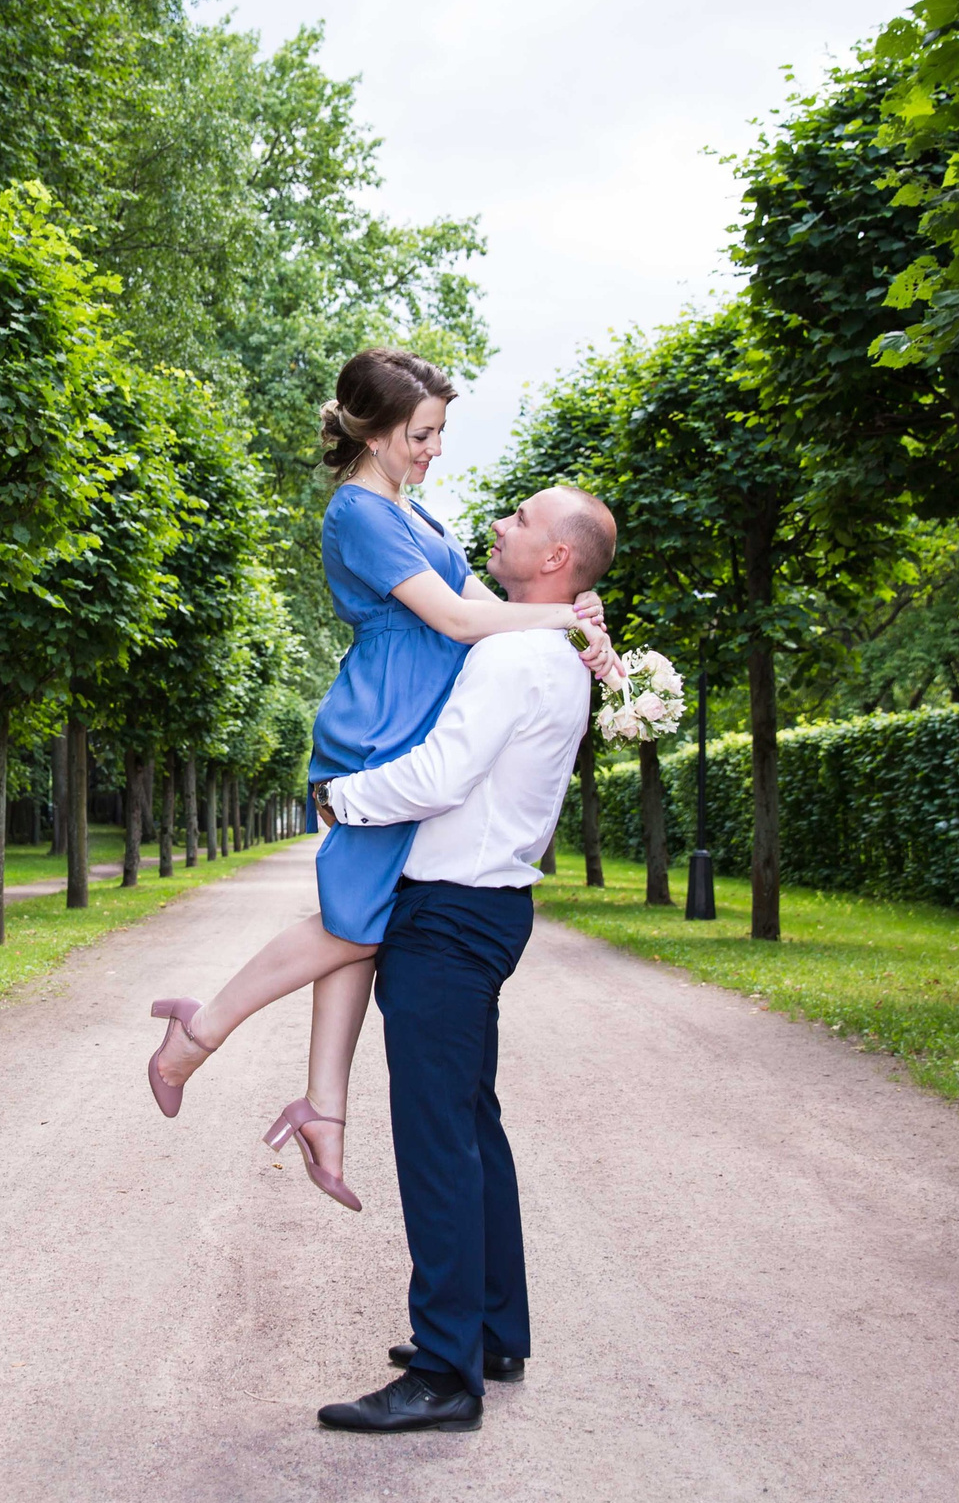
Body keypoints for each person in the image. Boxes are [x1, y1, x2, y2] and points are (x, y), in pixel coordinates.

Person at [143, 350, 611, 1211]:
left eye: (439, 433)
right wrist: (565, 618)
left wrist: (578, 619)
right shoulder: (358, 512)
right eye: (423, 433)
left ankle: (325, 1108)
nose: (435, 448)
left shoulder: (408, 504)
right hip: (378, 733)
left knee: (362, 920)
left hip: (406, 723)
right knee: (359, 924)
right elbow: (462, 617)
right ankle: (197, 1034)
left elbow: (484, 597)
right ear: (378, 429)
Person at [310, 483, 614, 1433]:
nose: (499, 526)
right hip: (489, 909)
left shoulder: (514, 653)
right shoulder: (549, 645)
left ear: (557, 558)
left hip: (448, 915)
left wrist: (341, 799)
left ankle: (446, 1372)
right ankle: (491, 1330)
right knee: (473, 1126)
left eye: (521, 521)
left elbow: (441, 774)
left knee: (439, 1138)